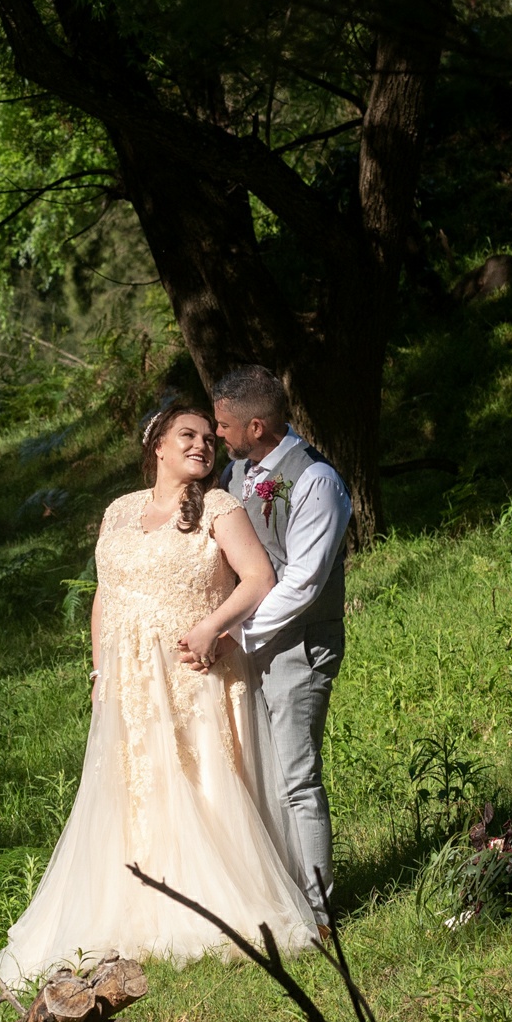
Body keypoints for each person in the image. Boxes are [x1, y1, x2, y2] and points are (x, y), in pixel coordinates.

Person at [0, 400, 321, 988]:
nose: (200, 446)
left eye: (207, 439)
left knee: (200, 784)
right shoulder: (119, 512)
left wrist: (212, 626)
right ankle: (140, 906)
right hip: (131, 682)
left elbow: (260, 579)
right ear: (158, 447)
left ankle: (215, 908)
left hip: (195, 673)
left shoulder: (220, 506)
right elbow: (103, 596)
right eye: (186, 436)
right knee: (135, 787)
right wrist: (99, 672)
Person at [209, 365, 352, 927]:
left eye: (224, 425)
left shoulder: (317, 481)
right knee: (258, 770)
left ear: (258, 426)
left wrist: (236, 632)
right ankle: (277, 894)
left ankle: (317, 914)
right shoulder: (237, 473)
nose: (218, 433)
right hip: (247, 642)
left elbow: (304, 583)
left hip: (298, 646)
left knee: (296, 776)